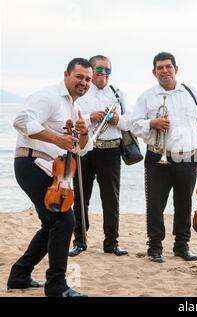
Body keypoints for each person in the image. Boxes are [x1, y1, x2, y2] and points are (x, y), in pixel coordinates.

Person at [8, 58, 93, 297]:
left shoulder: (75, 109)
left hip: (54, 171)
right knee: (65, 221)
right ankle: (56, 286)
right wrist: (57, 139)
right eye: (79, 77)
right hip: (32, 163)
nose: (84, 82)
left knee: (51, 224)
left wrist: (84, 134)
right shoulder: (48, 96)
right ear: (66, 74)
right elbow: (21, 121)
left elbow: (82, 149)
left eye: (87, 79)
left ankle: (19, 275)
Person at [130, 52, 197, 263]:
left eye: (168, 66)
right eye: (160, 68)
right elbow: (133, 125)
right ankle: (155, 247)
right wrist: (152, 123)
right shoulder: (147, 96)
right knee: (155, 204)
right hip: (157, 157)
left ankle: (182, 246)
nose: (164, 71)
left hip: (187, 158)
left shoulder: (191, 92)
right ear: (154, 72)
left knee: (184, 204)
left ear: (176, 69)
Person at [68, 55, 129, 257]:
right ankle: (80, 241)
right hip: (85, 150)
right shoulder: (81, 92)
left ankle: (111, 242)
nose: (104, 74)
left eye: (108, 70)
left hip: (111, 150)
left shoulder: (118, 94)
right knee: (81, 197)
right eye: (99, 70)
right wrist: (90, 117)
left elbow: (130, 122)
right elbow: (70, 119)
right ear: (91, 72)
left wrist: (116, 119)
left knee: (111, 199)